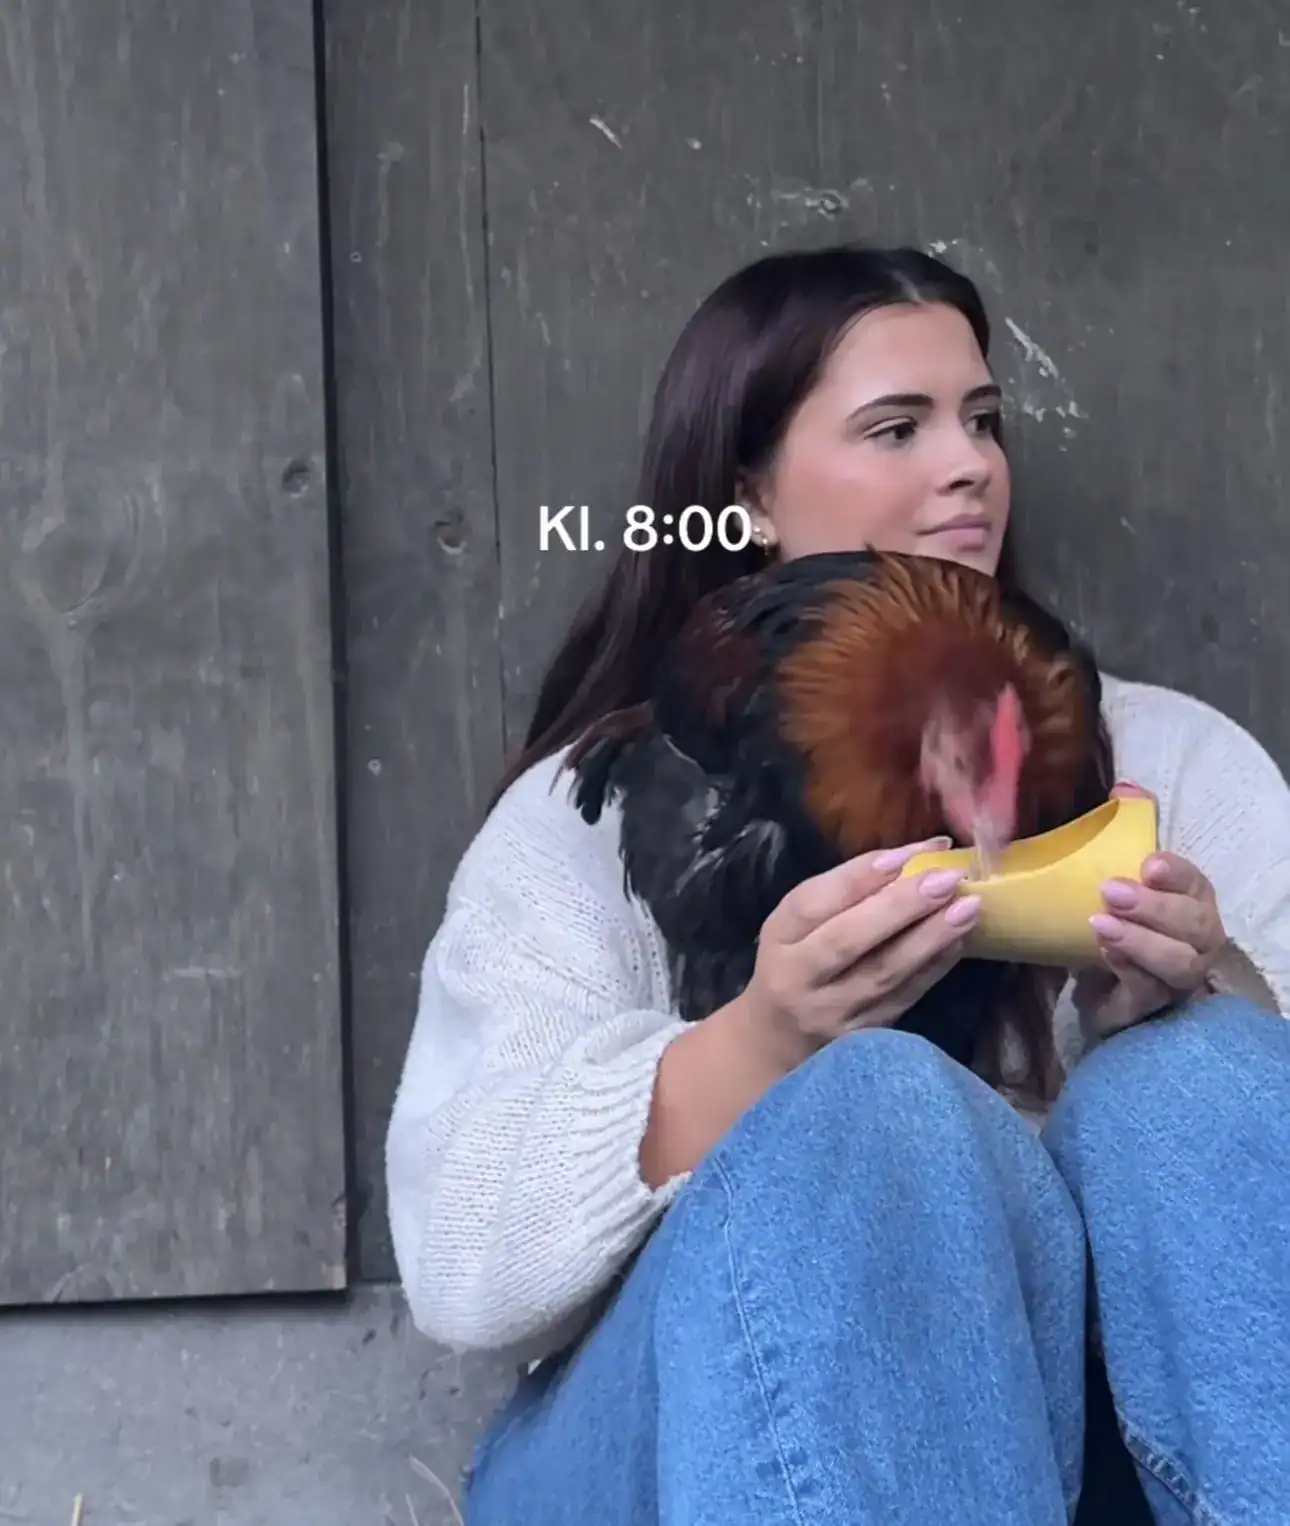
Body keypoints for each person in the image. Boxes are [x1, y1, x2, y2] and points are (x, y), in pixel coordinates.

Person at [384, 243, 1290, 1524]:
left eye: (983, 420)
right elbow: (463, 1264)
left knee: (1200, 1072)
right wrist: (761, 1043)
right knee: (868, 1110)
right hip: (677, 1448)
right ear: (747, 497)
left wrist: (1205, 988)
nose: (969, 463)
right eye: (897, 426)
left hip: (1102, 1458)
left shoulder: (1171, 761)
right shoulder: (597, 810)